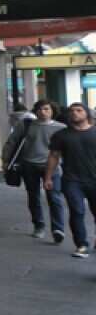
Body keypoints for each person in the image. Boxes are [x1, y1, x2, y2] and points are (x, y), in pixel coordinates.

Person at [2, 100, 66, 243]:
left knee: (54, 197)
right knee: (33, 196)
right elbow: (11, 142)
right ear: (35, 111)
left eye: (46, 109)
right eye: (39, 109)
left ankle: (58, 229)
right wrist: (6, 160)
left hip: (53, 167)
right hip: (29, 165)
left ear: (52, 111)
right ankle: (39, 225)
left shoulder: (61, 128)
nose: (43, 112)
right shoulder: (26, 125)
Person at [45, 102, 96, 259]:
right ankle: (82, 245)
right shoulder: (61, 135)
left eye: (79, 110)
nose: (74, 113)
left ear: (87, 114)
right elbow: (54, 156)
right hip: (72, 180)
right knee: (77, 211)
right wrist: (48, 177)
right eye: (72, 111)